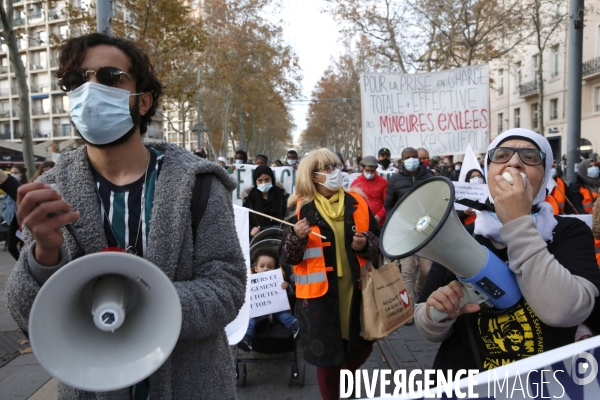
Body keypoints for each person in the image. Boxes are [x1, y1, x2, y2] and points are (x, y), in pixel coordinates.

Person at [5, 33, 246, 399]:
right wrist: (45, 255)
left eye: (110, 77)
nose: (90, 90)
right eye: (75, 81)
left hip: (192, 385)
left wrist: (144, 303)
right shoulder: (50, 191)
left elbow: (227, 287)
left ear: (143, 101)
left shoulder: (199, 184)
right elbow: (28, 316)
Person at [415, 128, 600, 372]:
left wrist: (517, 223)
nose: (514, 162)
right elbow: (425, 321)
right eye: (501, 155)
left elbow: (565, 312)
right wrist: (436, 315)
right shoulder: (463, 235)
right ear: (488, 171)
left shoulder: (569, 232)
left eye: (530, 157)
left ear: (545, 176)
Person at [280, 148, 380, 400]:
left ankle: (344, 381)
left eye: (336, 166)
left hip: (356, 290)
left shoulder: (357, 202)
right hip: (318, 298)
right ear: (313, 176)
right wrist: (296, 238)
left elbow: (378, 242)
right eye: (327, 168)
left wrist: (365, 243)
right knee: (327, 358)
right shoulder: (299, 209)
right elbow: (287, 257)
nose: (335, 172)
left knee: (362, 346)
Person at [385, 147, 435, 319]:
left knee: (427, 270)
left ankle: (419, 292)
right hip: (405, 232)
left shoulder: (429, 177)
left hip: (425, 232)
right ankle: (409, 308)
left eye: (415, 157)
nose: (412, 159)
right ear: (402, 160)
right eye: (408, 157)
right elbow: (388, 205)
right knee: (407, 270)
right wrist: (395, 222)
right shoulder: (395, 180)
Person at [239, 248, 299, 351]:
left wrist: (286, 286)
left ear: (275, 269)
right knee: (250, 321)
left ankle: (295, 325)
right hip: (257, 311)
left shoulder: (280, 278)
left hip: (276, 309)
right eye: (262, 266)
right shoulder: (249, 281)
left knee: (284, 315)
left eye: (270, 267)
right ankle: (247, 339)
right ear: (256, 268)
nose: (266, 269)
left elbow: (292, 292)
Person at [241, 165, 289, 238]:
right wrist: (250, 230)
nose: (263, 183)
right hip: (258, 241)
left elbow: (289, 218)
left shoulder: (282, 196)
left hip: (280, 238)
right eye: (260, 180)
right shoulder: (249, 199)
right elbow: (244, 222)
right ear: (255, 181)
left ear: (272, 179)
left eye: (267, 180)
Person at [350, 155, 387, 227]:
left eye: (372, 171)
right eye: (367, 170)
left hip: (380, 223)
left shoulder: (383, 182)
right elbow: (353, 204)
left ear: (376, 169)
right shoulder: (355, 183)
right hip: (362, 221)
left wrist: (379, 216)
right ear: (362, 168)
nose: (370, 173)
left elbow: (386, 203)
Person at [3, 165, 27, 260]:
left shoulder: (25, 186)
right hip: (12, 219)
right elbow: (5, 203)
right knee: (11, 246)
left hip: (23, 221)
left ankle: (24, 264)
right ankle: (20, 262)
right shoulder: (7, 188)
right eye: (11, 173)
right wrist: (5, 214)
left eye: (15, 173)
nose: (13, 175)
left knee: (24, 247)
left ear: (21, 175)